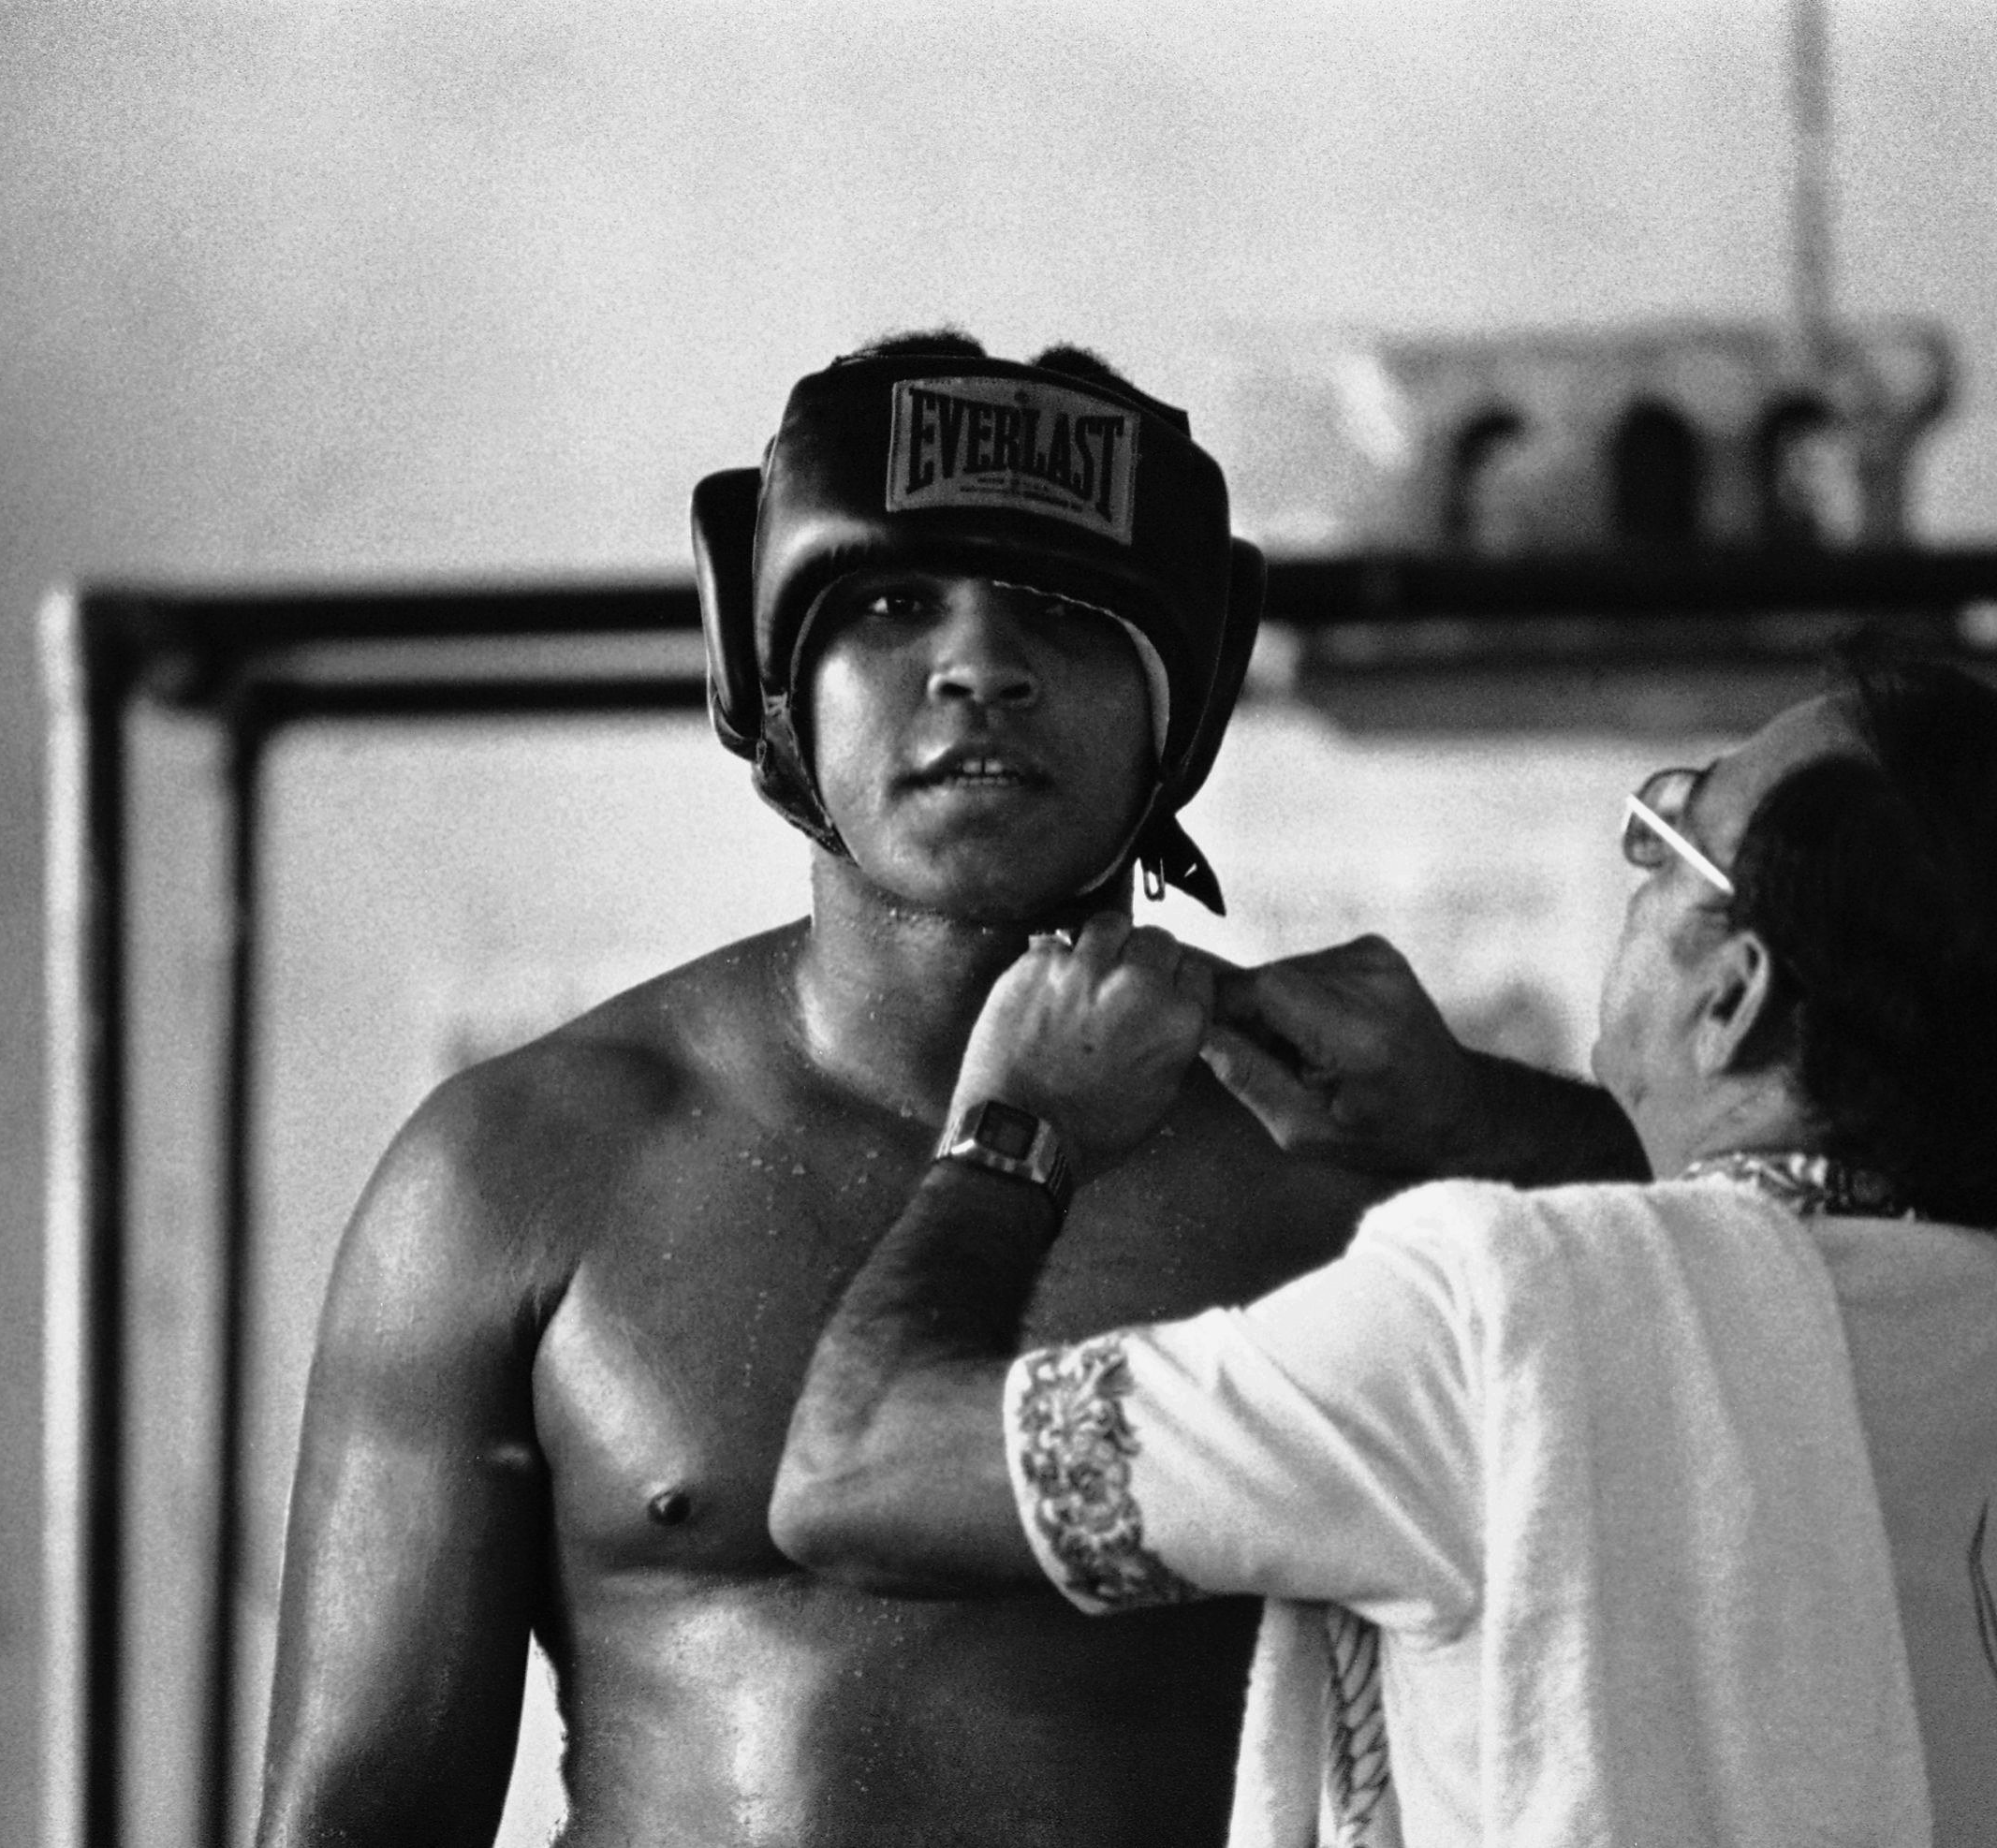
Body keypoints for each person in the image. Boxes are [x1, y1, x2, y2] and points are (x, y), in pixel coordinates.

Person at [252, 331, 1645, 1848]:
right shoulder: (520, 1168)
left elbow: (1792, 1312)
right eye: (895, 602)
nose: (980, 665)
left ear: (1177, 701)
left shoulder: (1347, 1171)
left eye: (1064, 607)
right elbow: (357, 1818)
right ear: (769, 671)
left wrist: (1497, 1127)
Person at [773, 655, 1997, 1846]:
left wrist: (1016, 1125)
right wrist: (1464, 1109)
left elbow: (855, 1470)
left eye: (1671, 831)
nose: (1636, 864)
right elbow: (1775, 1257)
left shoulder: (1484, 1334)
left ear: (1732, 996)